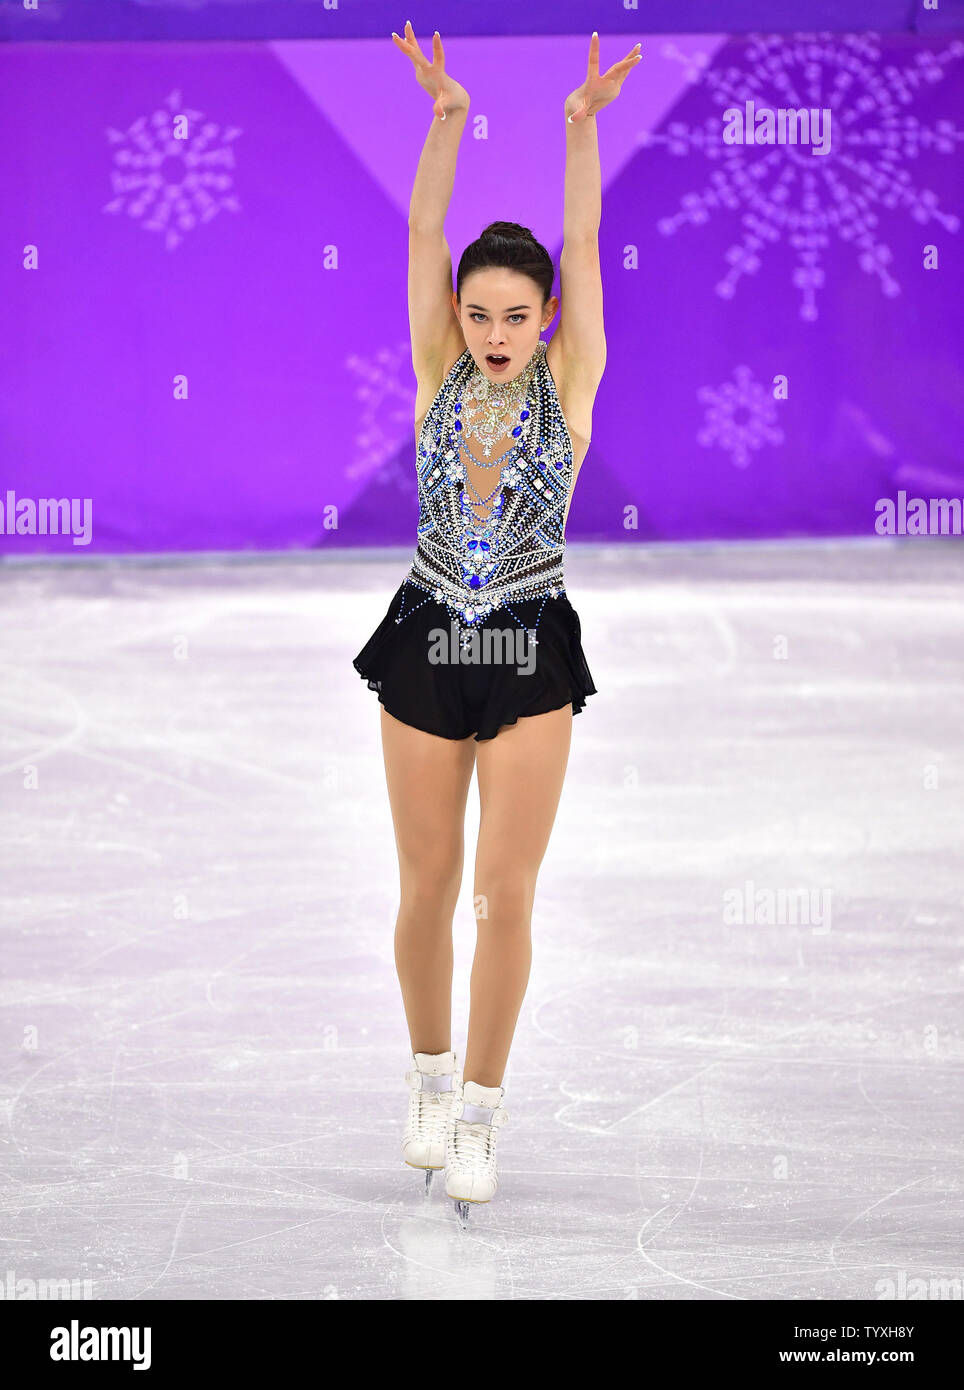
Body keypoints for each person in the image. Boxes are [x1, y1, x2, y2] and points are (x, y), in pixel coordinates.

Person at [353, 23, 641, 1224]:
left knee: (504, 897)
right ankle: (424, 1079)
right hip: (429, 635)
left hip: (525, 650)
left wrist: (580, 130)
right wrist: (447, 117)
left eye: (516, 316)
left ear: (548, 318)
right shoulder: (436, 368)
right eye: (479, 313)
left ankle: (477, 1113)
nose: (493, 333)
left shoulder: (571, 386)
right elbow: (424, 233)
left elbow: (581, 237)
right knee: (426, 886)